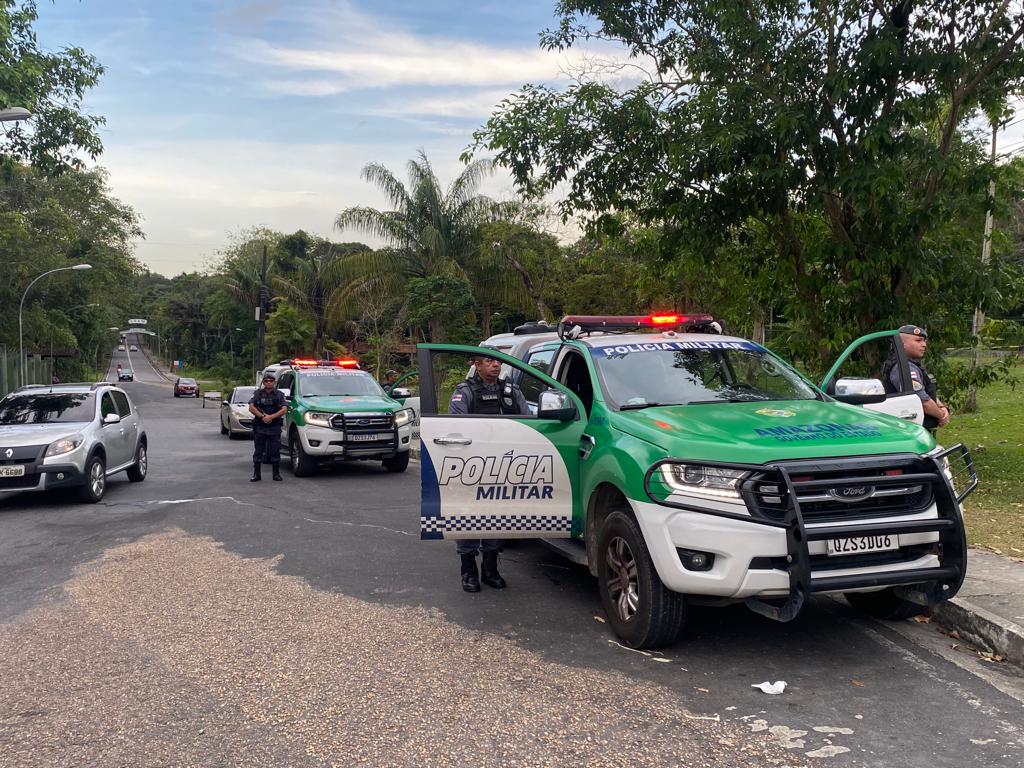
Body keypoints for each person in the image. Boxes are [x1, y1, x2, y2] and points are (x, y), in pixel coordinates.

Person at [448, 354, 530, 592]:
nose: (495, 365)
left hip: (504, 465)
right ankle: (468, 569)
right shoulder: (465, 391)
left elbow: (528, 423)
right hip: (471, 466)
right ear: (477, 365)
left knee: (497, 515)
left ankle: (490, 568)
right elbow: (457, 426)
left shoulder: (511, 391)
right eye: (488, 361)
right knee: (468, 516)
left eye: (498, 362)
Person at [884, 325, 950, 431]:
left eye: (924, 341)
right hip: (909, 430)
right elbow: (923, 401)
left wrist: (941, 407)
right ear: (902, 344)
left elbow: (923, 390)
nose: (924, 345)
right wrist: (941, 415)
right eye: (918, 341)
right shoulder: (903, 367)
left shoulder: (909, 364)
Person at [248, 374, 288, 481]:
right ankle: (256, 475)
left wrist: (272, 417)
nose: (268, 382)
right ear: (264, 382)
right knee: (258, 452)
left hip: (274, 427)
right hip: (260, 427)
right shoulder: (258, 394)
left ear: (274, 382)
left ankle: (276, 474)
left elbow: (284, 409)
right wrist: (262, 416)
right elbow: (251, 407)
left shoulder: (279, 395)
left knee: (275, 451)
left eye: (271, 381)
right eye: (266, 381)